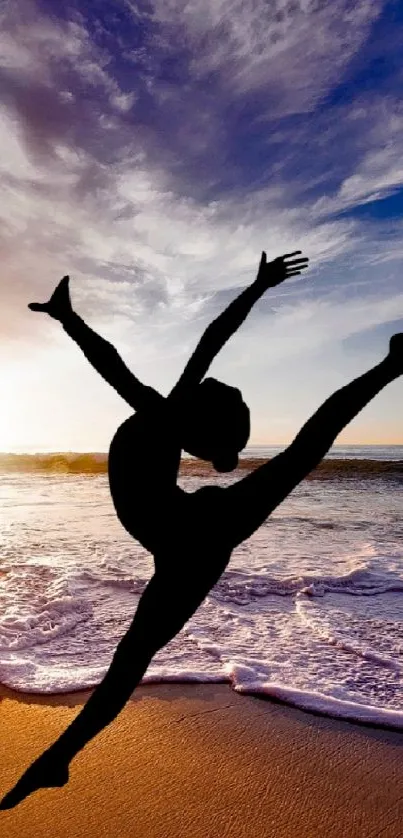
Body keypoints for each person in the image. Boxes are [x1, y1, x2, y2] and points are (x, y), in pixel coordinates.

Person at [2, 250, 402, 810]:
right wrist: (70, 320)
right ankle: (58, 760)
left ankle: (58, 760)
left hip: (195, 542)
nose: (197, 382)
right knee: (306, 450)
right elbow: (190, 344)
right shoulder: (165, 416)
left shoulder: (163, 417)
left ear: (200, 429)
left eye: (203, 396)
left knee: (131, 659)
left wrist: (258, 289)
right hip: (196, 531)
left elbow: (202, 341)